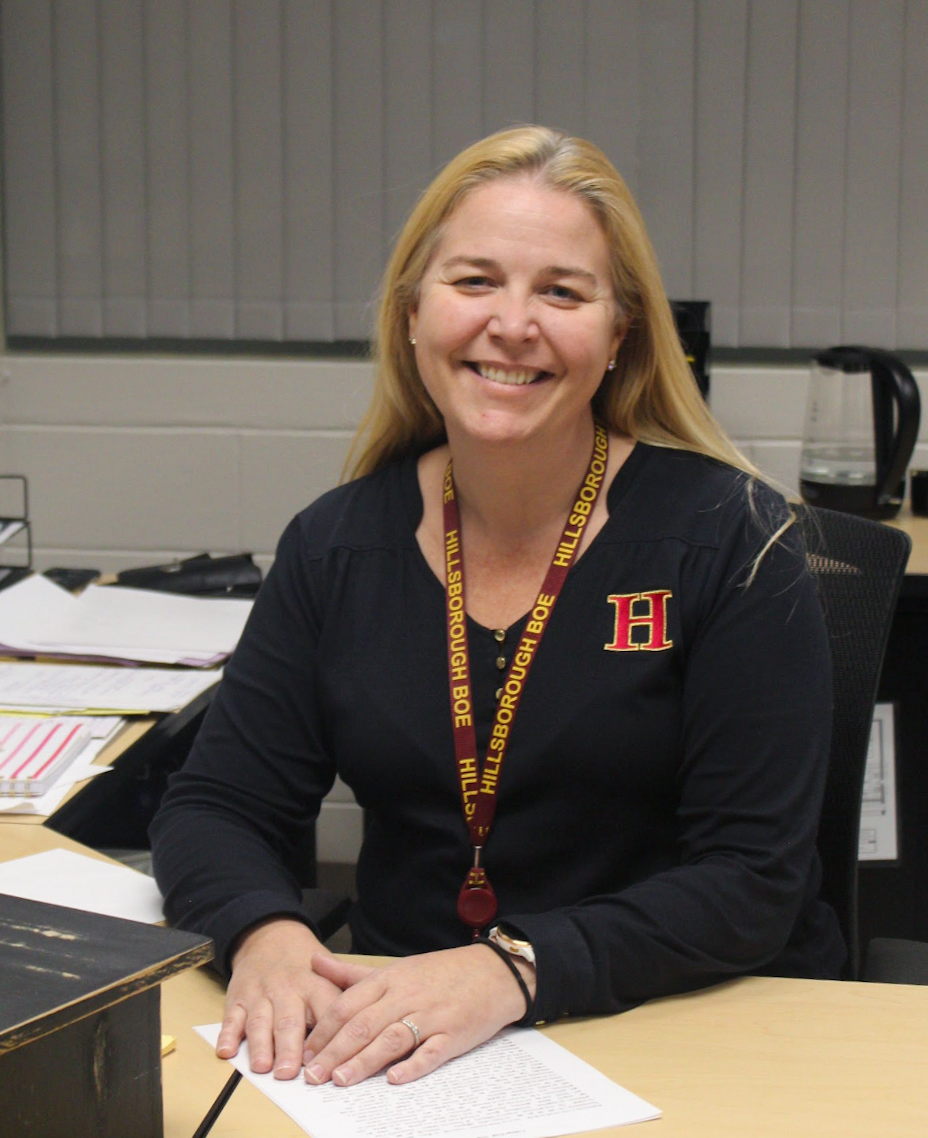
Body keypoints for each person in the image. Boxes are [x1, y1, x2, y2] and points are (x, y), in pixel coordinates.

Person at [150, 125, 844, 1090]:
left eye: (561, 292)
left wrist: (513, 971)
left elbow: (753, 880)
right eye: (474, 281)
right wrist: (264, 934)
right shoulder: (337, 546)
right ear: (412, 315)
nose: (512, 324)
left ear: (619, 335)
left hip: (685, 1024)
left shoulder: (732, 540)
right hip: (400, 1046)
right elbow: (217, 804)